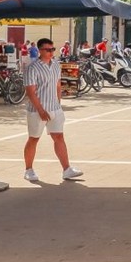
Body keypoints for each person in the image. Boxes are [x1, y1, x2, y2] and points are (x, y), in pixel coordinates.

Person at [23, 38, 83, 183]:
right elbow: (30, 92)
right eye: (47, 50)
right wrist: (40, 110)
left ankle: (66, 169)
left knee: (59, 137)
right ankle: (28, 169)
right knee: (34, 138)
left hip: (54, 108)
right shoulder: (33, 68)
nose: (50, 52)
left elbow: (57, 85)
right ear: (40, 51)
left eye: (52, 49)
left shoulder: (56, 65)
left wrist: (58, 104)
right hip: (37, 109)